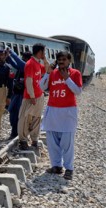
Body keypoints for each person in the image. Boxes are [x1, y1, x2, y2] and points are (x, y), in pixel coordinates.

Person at [40, 51, 82, 180]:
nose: (61, 61)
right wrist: (47, 72)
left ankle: (69, 168)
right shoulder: (52, 73)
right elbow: (41, 87)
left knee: (67, 142)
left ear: (69, 60)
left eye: (64, 59)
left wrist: (67, 79)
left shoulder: (75, 73)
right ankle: (56, 166)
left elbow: (78, 91)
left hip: (68, 112)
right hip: (53, 111)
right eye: (59, 59)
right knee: (52, 142)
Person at [17, 43, 46, 150]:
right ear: (40, 52)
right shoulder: (30, 64)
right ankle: (23, 140)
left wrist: (45, 59)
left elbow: (48, 70)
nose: (45, 54)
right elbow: (28, 81)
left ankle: (34, 139)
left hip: (39, 95)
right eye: (44, 52)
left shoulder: (38, 63)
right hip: (30, 97)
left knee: (36, 118)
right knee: (24, 118)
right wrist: (32, 96)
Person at [6, 50, 32, 140]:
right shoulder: (22, 67)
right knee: (13, 113)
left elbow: (19, 64)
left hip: (22, 95)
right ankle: (14, 132)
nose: (22, 60)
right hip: (16, 93)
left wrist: (12, 53)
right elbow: (15, 65)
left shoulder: (27, 66)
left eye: (24, 58)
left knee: (19, 114)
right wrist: (8, 58)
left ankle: (19, 133)